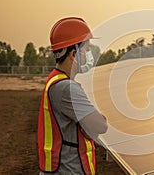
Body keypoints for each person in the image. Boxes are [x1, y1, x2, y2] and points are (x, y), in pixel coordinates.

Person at [38, 17, 108, 175]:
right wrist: (96, 122)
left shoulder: (56, 80)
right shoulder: (66, 88)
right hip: (68, 169)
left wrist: (88, 125)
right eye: (86, 50)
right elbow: (100, 126)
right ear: (73, 54)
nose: (88, 55)